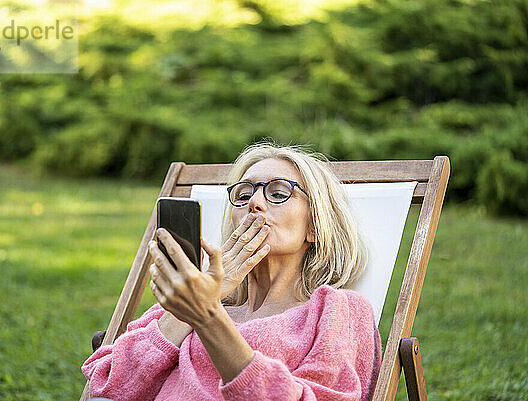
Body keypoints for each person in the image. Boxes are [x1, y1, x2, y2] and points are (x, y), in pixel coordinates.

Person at [82, 143, 381, 401]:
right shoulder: (195, 298)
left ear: (315, 226)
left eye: (278, 193)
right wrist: (200, 305)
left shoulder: (335, 311)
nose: (254, 202)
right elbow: (108, 383)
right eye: (243, 194)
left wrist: (207, 318)